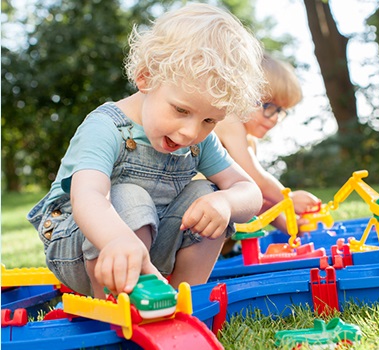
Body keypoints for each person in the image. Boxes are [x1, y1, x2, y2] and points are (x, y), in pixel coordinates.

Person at [27, 3, 265, 298]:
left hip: (153, 245)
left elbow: (249, 191)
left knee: (209, 195)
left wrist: (226, 202)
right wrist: (116, 239)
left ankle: (182, 299)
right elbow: (87, 195)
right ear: (146, 78)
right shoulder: (106, 127)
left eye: (208, 120)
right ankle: (118, 303)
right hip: (85, 245)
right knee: (129, 194)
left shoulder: (198, 141)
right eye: (181, 109)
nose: (191, 132)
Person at [214, 53, 320, 256]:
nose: (275, 118)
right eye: (268, 106)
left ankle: (226, 252)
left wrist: (294, 226)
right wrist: (288, 198)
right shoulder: (229, 121)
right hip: (196, 217)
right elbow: (256, 179)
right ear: (240, 94)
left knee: (253, 198)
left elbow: (261, 199)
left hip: (218, 224)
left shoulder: (249, 141)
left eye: (281, 110)